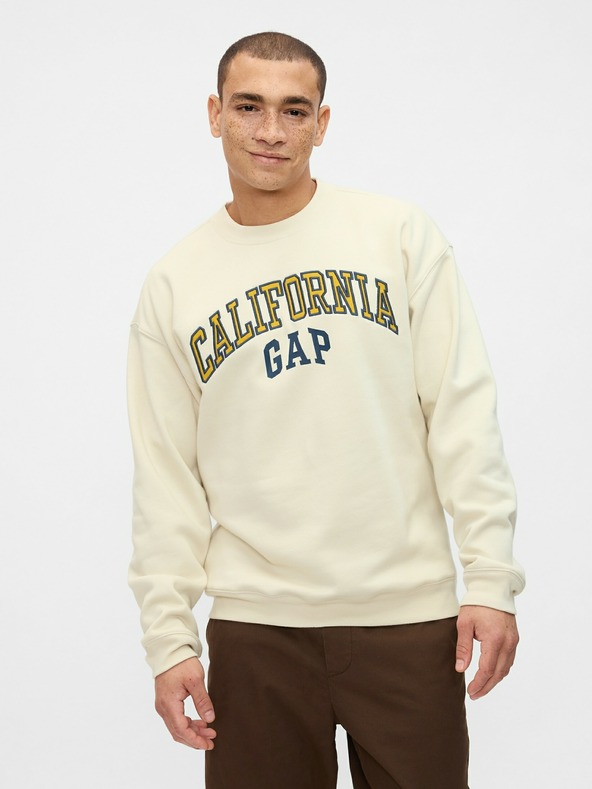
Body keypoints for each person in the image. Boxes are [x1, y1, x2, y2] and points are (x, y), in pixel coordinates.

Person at [127, 31, 525, 788]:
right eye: (249, 106)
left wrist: (490, 578)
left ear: (322, 122)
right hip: (257, 628)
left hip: (407, 618)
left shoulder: (397, 236)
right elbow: (166, 476)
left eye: (294, 110)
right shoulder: (175, 283)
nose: (271, 130)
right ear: (215, 114)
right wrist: (169, 638)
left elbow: (461, 413)